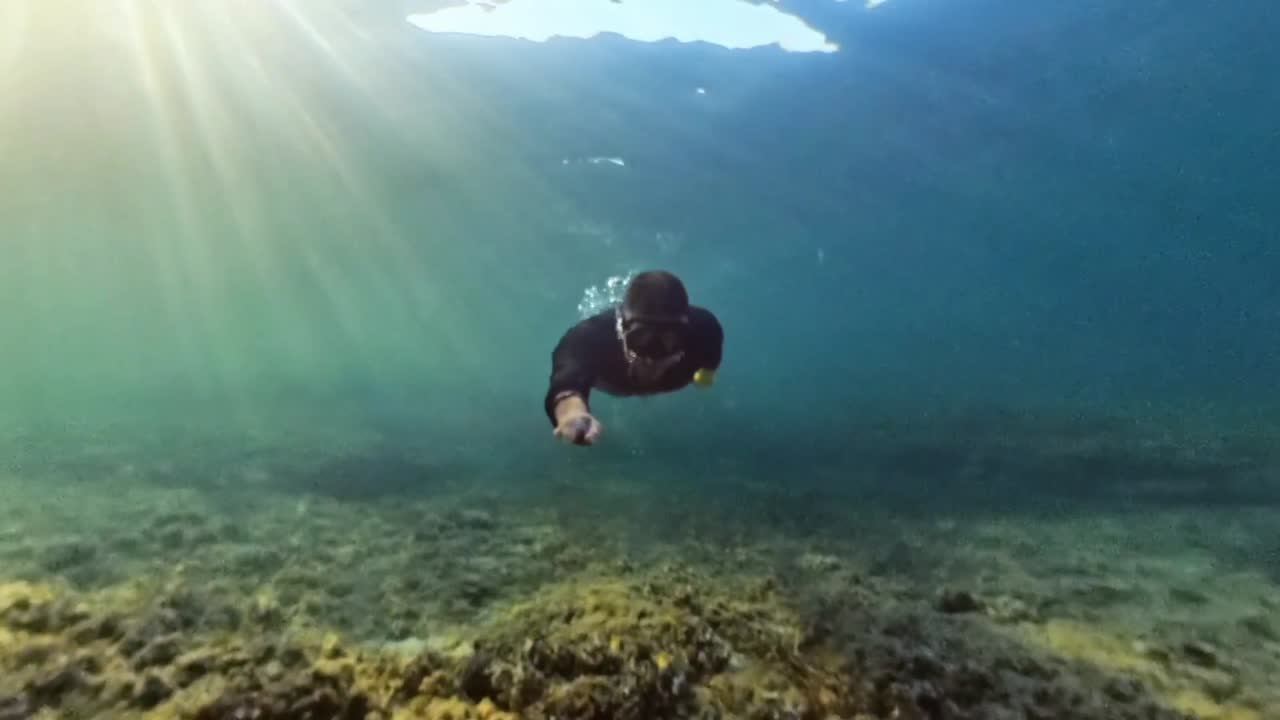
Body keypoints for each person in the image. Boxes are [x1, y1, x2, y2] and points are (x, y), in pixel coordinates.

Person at [544, 270, 724, 445]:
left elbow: (709, 364)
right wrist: (571, 413)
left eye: (669, 339)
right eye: (641, 337)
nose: (653, 356)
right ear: (622, 332)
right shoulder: (590, 338)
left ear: (685, 336)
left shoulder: (705, 333)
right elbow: (567, 382)